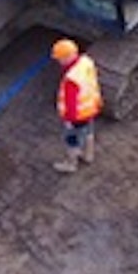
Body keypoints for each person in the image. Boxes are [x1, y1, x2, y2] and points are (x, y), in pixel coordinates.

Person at [51, 38, 102, 173]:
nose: (59, 62)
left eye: (60, 59)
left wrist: (70, 120)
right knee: (88, 132)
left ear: (67, 57)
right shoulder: (86, 62)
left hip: (77, 115)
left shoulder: (71, 79)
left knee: (72, 139)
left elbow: (71, 103)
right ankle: (88, 155)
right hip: (90, 108)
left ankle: (70, 164)